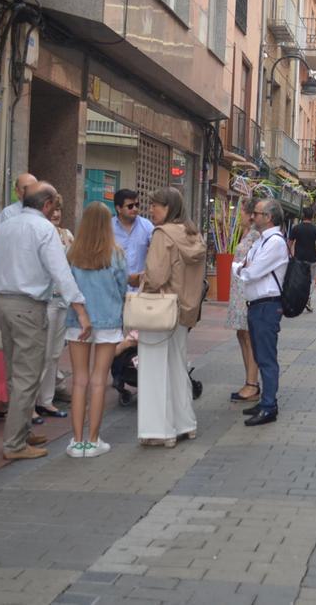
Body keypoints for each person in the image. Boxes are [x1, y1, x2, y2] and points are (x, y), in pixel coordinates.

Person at [0, 182, 91, 460]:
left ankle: (20, 430)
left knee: (15, 373)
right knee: (27, 375)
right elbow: (61, 271)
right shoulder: (43, 229)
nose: (55, 211)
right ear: (46, 205)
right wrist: (80, 308)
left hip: (2, 302)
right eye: (55, 206)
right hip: (27, 306)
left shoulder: (5, 226)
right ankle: (15, 444)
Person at [136, 187, 207, 446]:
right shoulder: (193, 235)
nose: (151, 209)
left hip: (160, 307)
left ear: (170, 208)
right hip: (184, 309)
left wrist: (143, 280)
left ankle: (160, 431)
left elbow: (155, 276)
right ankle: (185, 424)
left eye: (157, 205)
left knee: (155, 370)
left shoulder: (162, 235)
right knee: (177, 366)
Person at [64, 202, 129, 458]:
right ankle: (93, 440)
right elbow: (122, 288)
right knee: (99, 380)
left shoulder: (72, 253)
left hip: (77, 321)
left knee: (79, 380)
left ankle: (76, 441)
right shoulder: (116, 253)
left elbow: (65, 285)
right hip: (109, 319)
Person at [233, 198, 288, 426]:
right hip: (256, 305)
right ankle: (265, 400)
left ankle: (269, 406)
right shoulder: (260, 240)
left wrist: (242, 269)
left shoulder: (274, 242)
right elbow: (242, 265)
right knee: (260, 354)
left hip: (267, 305)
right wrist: (242, 268)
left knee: (266, 358)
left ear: (269, 217)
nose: (253, 216)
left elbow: (249, 272)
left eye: (257, 213)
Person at [35, 194, 73, 423]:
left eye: (59, 210)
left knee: (55, 353)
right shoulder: (39, 233)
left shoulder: (67, 235)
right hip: (45, 300)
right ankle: (33, 402)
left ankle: (47, 400)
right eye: (53, 210)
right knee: (43, 352)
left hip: (62, 300)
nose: (57, 214)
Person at [227, 224, 263, 402]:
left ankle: (252, 383)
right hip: (238, 288)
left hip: (245, 289)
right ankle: (248, 380)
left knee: (248, 335)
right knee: (241, 334)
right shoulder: (246, 232)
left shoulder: (256, 235)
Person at [112, 189, 154, 290]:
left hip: (139, 292)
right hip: (115, 289)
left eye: (137, 205)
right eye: (130, 206)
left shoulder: (147, 226)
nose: (135, 209)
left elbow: (158, 249)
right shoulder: (108, 227)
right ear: (118, 208)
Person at [287, 208, 316, 313]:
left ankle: (299, 299)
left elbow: (289, 242)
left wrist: (289, 255)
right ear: (312, 217)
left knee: (298, 279)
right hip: (311, 259)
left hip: (298, 259)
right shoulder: (315, 229)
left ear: (303, 216)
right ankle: (307, 298)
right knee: (311, 280)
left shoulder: (296, 228)